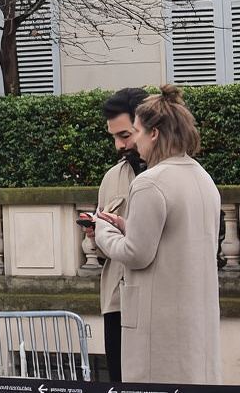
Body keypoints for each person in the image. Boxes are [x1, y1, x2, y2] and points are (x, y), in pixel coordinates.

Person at [94, 85, 221, 384]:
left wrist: (102, 230)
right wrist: (127, 227)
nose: (133, 141)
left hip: (157, 326)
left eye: (135, 132)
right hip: (194, 325)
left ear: (153, 133)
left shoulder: (151, 181)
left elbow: (136, 255)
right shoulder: (202, 177)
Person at [81, 88, 147, 383]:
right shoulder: (112, 177)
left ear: (148, 127)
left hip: (153, 302)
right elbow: (106, 252)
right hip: (116, 302)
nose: (119, 146)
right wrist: (97, 235)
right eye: (114, 137)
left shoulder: (171, 175)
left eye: (125, 135)